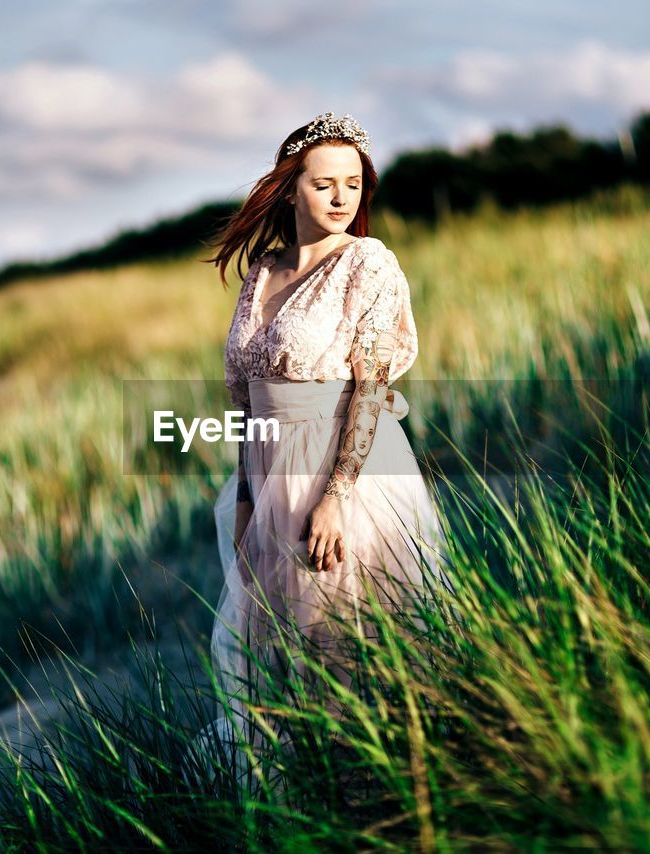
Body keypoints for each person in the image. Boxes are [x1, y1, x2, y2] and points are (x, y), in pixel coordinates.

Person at [194, 112, 453, 789]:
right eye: (324, 185)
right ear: (288, 191)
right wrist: (248, 499)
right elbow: (250, 405)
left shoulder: (367, 263)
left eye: (353, 185)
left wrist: (337, 497)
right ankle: (303, 797)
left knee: (350, 644)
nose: (342, 199)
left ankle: (385, 793)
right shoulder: (262, 273)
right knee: (279, 654)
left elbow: (370, 390)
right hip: (269, 476)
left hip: (348, 475)